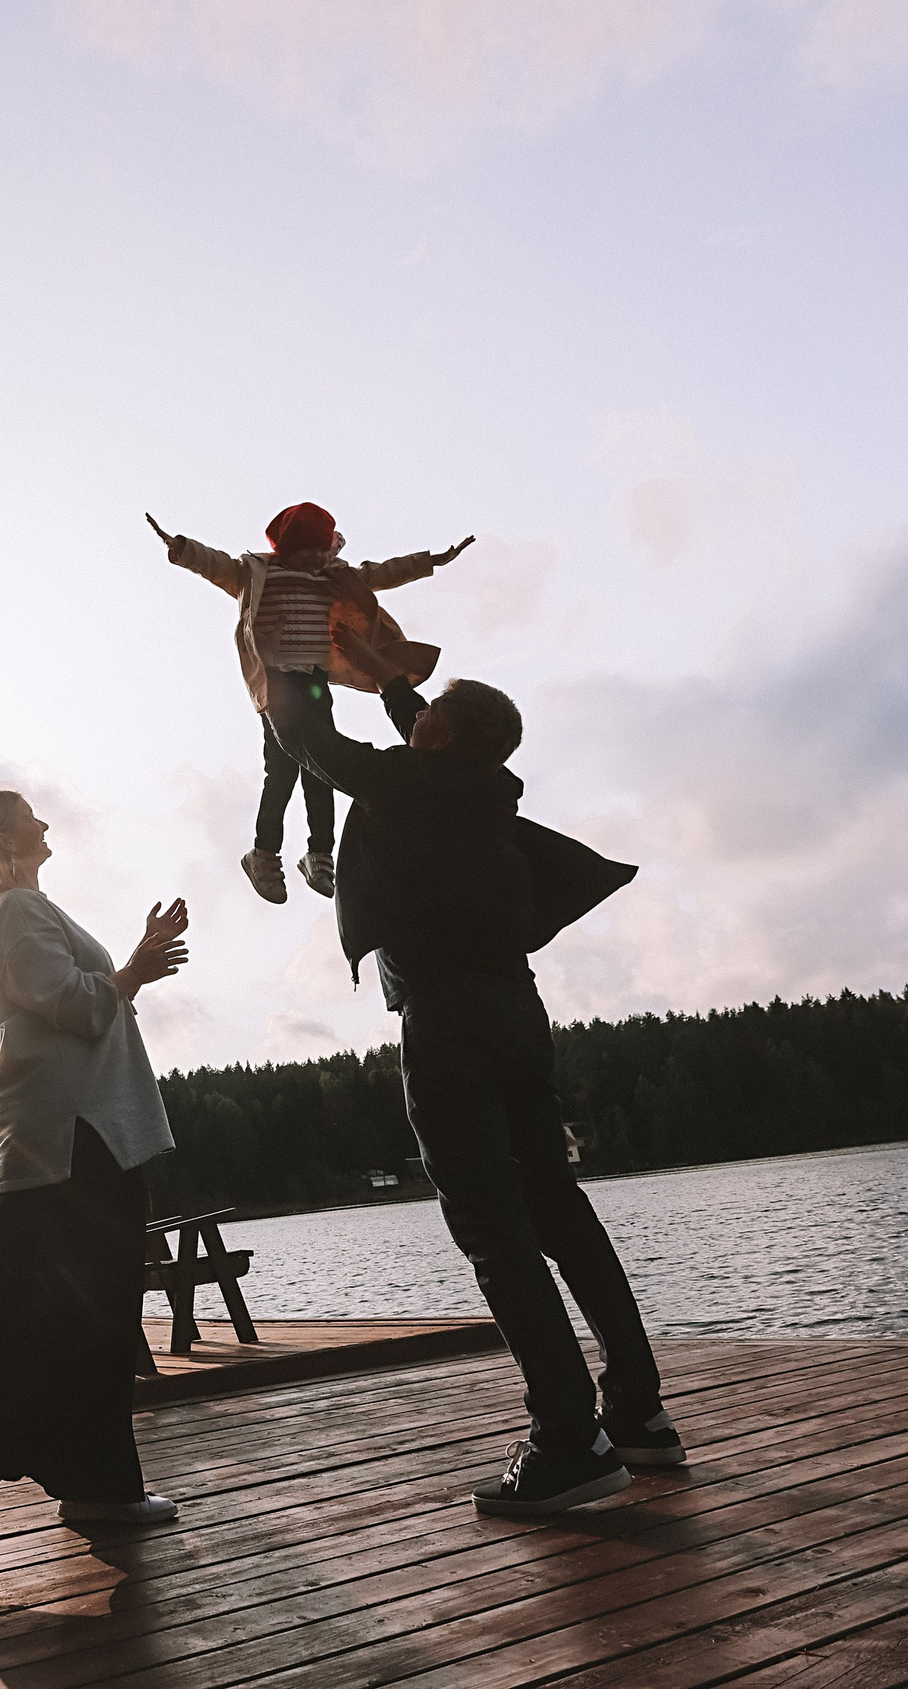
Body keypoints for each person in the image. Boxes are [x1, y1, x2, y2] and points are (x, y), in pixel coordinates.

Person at [262, 630, 678, 1518]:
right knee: (558, 1207)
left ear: (443, 736)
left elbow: (310, 741)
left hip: (447, 1021)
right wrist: (388, 683)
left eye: (430, 711)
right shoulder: (485, 788)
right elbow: (423, 735)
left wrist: (280, 657)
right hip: (517, 1013)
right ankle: (638, 1411)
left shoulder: (410, 780)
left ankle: (567, 1438)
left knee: (494, 1227)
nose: (418, 714)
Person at [0, 790, 191, 1551]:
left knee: (94, 1320)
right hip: (64, 1140)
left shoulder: (36, 910)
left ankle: (98, 1485)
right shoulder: (15, 912)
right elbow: (73, 1004)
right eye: (29, 815)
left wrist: (133, 963)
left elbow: (82, 1000)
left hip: (92, 1135)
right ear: (1, 835)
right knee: (10, 1315)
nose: (45, 823)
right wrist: (133, 970)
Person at [147, 502, 469, 906]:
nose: (319, 558)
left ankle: (319, 853)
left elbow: (381, 573)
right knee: (281, 771)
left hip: (314, 681)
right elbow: (216, 565)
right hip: (277, 682)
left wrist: (429, 561)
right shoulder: (258, 572)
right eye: (310, 551)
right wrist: (181, 548)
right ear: (289, 549)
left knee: (323, 765)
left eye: (322, 549)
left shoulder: (334, 575)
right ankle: (264, 853)